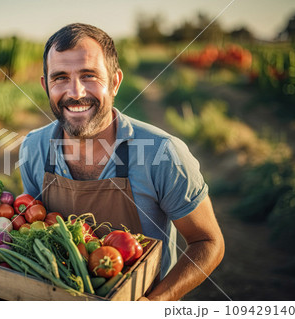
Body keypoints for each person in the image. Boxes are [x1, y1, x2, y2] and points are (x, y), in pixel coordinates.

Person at [19, 23, 224, 301]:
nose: (75, 92)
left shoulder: (162, 153)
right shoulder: (33, 148)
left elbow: (208, 242)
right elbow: (34, 229)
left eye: (89, 75)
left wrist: (153, 304)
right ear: (46, 85)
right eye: (60, 78)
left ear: (114, 82)